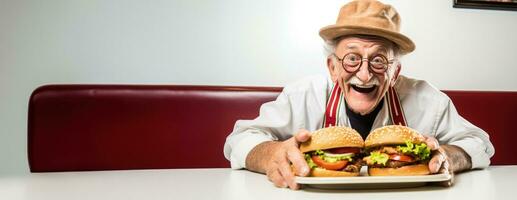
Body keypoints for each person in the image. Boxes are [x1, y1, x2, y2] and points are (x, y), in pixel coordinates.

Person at [223, 0, 494, 190]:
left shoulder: (428, 100)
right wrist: (272, 152)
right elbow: (239, 140)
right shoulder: (303, 95)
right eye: (352, 59)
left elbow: (479, 144)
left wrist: (448, 156)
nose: (364, 75)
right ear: (332, 67)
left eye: (378, 61)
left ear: (395, 71)